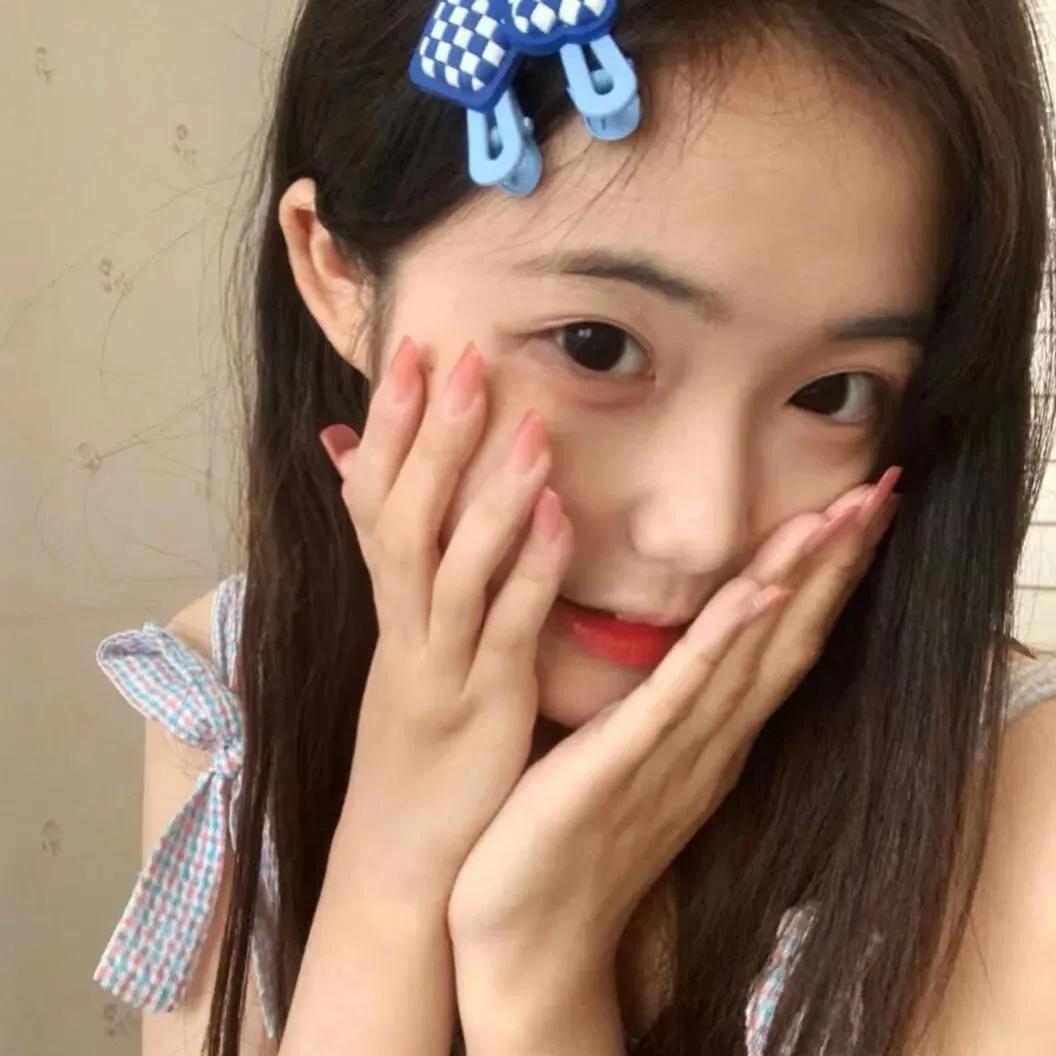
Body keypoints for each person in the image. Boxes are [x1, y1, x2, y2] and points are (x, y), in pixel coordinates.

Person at [90, 1, 1056, 1054]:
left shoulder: (1019, 802)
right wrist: (390, 873)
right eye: (597, 345)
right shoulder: (236, 695)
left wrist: (539, 968)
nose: (702, 528)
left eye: (833, 394)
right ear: (339, 276)